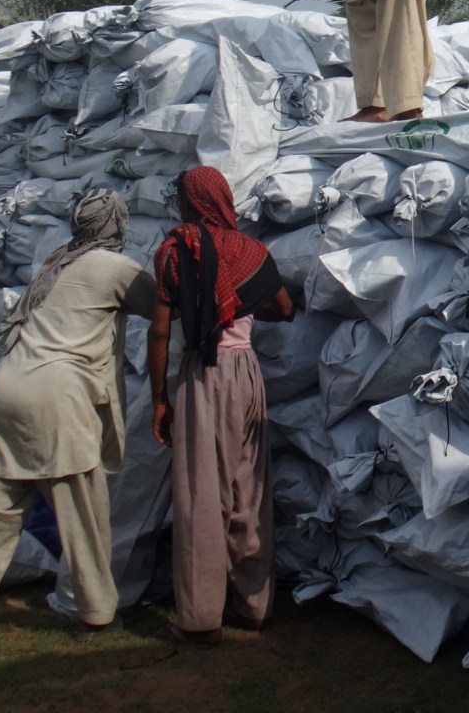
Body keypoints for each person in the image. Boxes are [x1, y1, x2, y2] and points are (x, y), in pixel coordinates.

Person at [0, 189, 153, 664]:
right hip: (59, 399)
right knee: (83, 512)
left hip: (8, 389)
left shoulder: (57, 260)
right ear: (116, 224)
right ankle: (96, 614)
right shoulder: (115, 269)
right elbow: (165, 305)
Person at [149, 166, 294, 646]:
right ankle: (255, 607)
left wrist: (160, 400)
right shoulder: (250, 251)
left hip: (202, 374)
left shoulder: (174, 252)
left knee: (200, 492)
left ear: (193, 203)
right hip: (247, 372)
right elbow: (286, 309)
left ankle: (200, 617)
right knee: (250, 485)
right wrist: (242, 308)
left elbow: (161, 330)